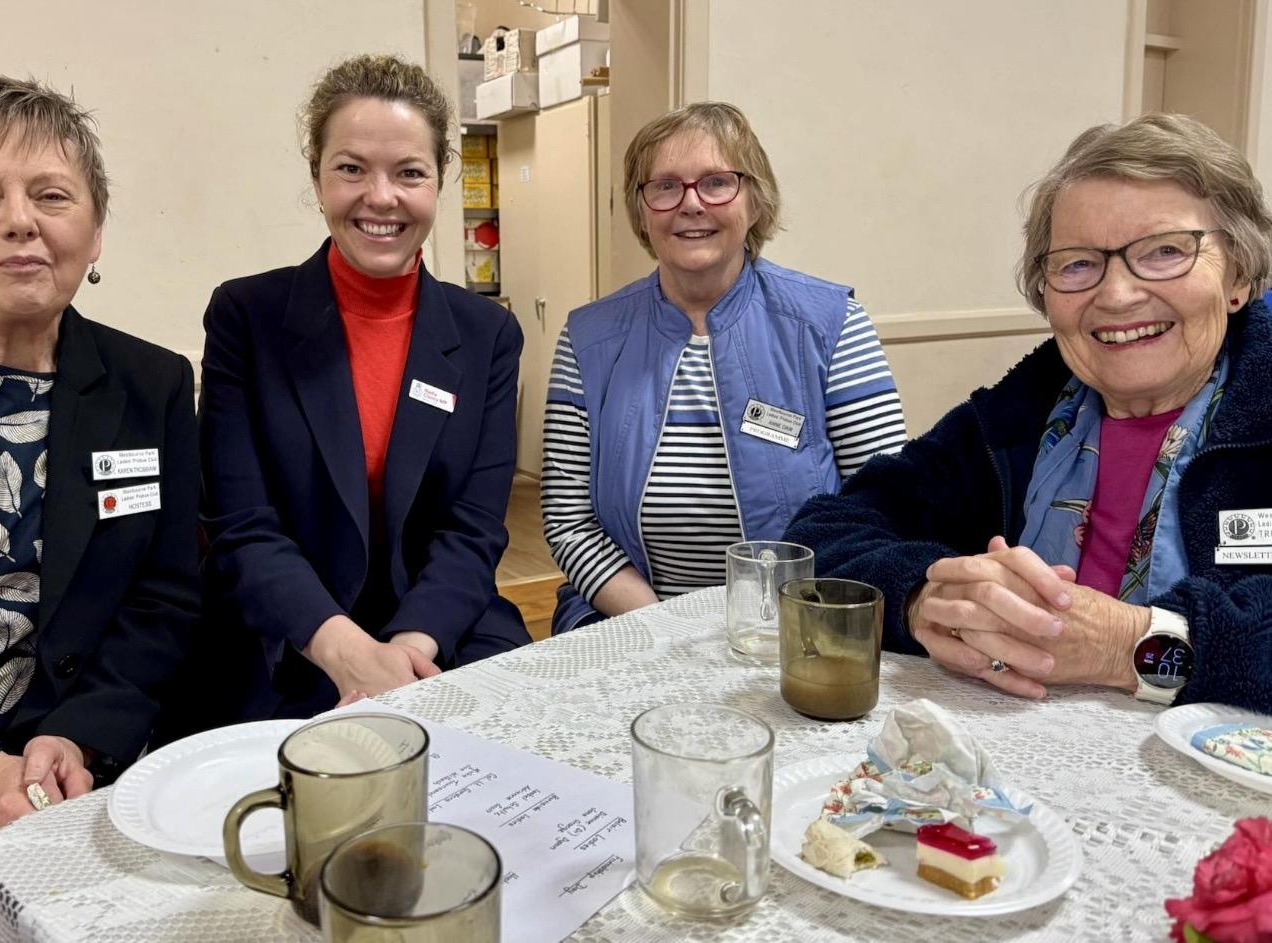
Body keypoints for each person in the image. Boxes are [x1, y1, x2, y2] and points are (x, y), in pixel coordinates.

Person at [785, 113, 1272, 714]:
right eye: (1077, 264)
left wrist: (1128, 645)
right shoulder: (1020, 414)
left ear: (1238, 275)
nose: (1116, 295)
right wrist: (923, 597)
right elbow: (824, 533)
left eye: (1165, 251)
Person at [0, 75, 199, 941]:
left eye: (52, 195)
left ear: (94, 230)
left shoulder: (151, 385)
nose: (20, 222)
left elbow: (166, 597)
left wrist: (80, 735)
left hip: (76, 761)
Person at [171, 55, 528, 730]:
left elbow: (473, 528)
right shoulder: (246, 317)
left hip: (436, 630)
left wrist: (408, 651)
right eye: (352, 168)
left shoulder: (487, 334)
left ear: (439, 180)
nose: (381, 197)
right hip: (289, 636)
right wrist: (352, 656)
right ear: (317, 177)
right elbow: (240, 525)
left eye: (409, 172)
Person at [543, 102, 907, 634]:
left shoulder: (830, 323)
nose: (691, 204)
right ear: (642, 210)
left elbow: (883, 500)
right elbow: (569, 520)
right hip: (630, 621)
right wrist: (666, 629)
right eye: (665, 186)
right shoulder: (589, 338)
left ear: (754, 200)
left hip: (799, 621)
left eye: (716, 182)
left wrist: (782, 624)